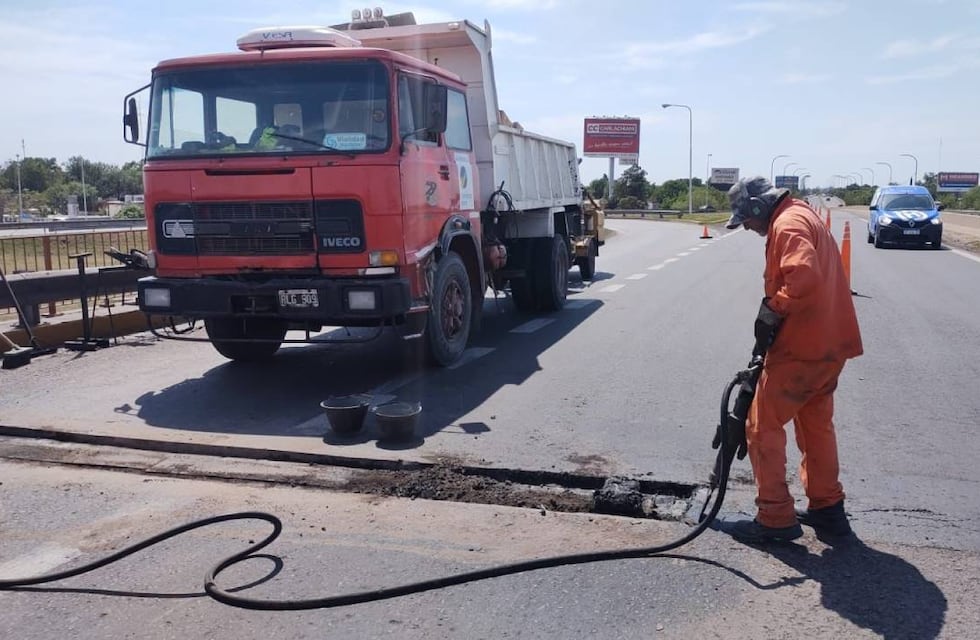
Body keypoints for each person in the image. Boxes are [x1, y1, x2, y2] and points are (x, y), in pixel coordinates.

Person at [724, 176, 863, 544]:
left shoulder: (786, 224)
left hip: (802, 349)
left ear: (756, 207)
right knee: (815, 425)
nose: (750, 228)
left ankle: (775, 518)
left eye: (748, 220)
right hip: (830, 345)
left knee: (761, 426)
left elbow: (802, 277)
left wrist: (774, 309)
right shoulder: (801, 214)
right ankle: (828, 510)